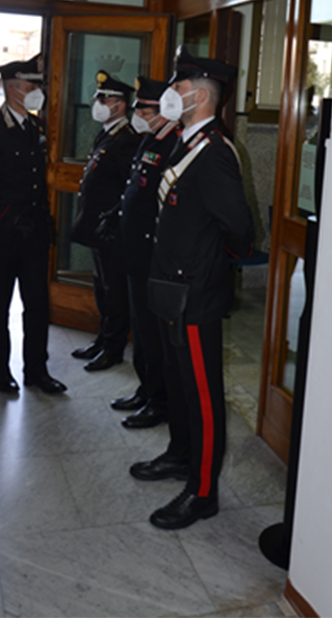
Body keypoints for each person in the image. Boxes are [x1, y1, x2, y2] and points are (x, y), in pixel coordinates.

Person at [130, 46, 255, 529]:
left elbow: (239, 228)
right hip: (170, 287)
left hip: (195, 293)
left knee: (202, 394)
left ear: (200, 95)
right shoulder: (186, 141)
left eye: (178, 85)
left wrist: (209, 265)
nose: (171, 92)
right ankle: (181, 455)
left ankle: (202, 492)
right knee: (180, 383)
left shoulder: (215, 151)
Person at [0, 54, 67, 396]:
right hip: (1, 234)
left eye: (38, 85)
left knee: (37, 305)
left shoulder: (37, 128)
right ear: (12, 90)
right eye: (31, 86)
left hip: (33, 234)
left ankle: (37, 370)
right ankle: (0, 371)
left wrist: (40, 220)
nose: (38, 92)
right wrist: (12, 218)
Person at [104, 76, 181, 428]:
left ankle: (159, 401)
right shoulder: (152, 138)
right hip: (133, 250)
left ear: (163, 111)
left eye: (144, 110)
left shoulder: (174, 144)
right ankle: (145, 388)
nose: (138, 115)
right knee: (140, 327)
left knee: (153, 334)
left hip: (152, 253)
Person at [70, 71, 140, 371]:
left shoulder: (126, 140)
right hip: (99, 228)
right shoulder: (108, 133)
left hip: (112, 230)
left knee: (114, 291)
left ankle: (113, 348)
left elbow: (129, 189)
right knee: (101, 287)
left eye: (104, 98)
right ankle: (102, 339)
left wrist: (112, 219)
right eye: (98, 97)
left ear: (120, 104)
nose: (97, 103)